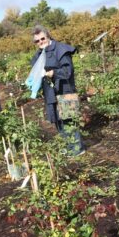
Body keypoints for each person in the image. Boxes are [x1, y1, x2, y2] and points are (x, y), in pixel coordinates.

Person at [31, 25, 85, 156]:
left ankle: (77, 149)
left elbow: (68, 72)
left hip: (64, 90)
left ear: (48, 36)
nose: (40, 42)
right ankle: (68, 145)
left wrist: (53, 73)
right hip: (50, 93)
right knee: (58, 120)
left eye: (42, 38)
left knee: (68, 119)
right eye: (37, 41)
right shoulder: (39, 55)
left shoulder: (61, 49)